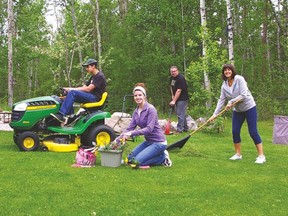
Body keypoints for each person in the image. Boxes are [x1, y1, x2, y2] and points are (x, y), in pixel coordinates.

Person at [208, 64, 266, 164]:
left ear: (232, 71)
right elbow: (221, 100)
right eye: (225, 70)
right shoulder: (224, 85)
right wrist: (214, 115)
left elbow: (243, 95)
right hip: (238, 111)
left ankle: (261, 156)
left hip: (249, 107)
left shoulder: (239, 79)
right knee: (235, 131)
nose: (227, 72)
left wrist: (231, 102)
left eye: (229, 70)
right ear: (223, 73)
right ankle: (238, 154)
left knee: (253, 132)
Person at [115, 83, 172, 167]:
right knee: (130, 160)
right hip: (148, 142)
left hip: (159, 142)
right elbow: (129, 128)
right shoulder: (136, 112)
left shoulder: (151, 109)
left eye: (140, 95)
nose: (138, 97)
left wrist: (132, 133)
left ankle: (163, 158)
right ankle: (156, 155)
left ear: (144, 96)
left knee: (136, 162)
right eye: (135, 95)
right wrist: (117, 140)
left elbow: (149, 129)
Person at [51, 58, 106, 123]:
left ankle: (61, 115)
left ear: (93, 66)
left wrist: (71, 89)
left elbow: (88, 89)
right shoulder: (93, 77)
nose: (86, 69)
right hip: (90, 96)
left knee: (72, 93)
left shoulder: (99, 76)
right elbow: (84, 87)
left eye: (87, 67)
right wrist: (68, 90)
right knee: (67, 96)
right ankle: (71, 117)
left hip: (95, 98)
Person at [169, 66, 189, 133]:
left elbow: (179, 90)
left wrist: (174, 101)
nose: (173, 73)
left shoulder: (181, 78)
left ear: (177, 71)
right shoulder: (172, 78)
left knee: (179, 113)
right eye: (172, 72)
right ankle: (185, 128)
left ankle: (179, 130)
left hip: (182, 99)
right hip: (177, 98)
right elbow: (171, 87)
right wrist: (172, 95)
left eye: (174, 71)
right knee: (182, 113)